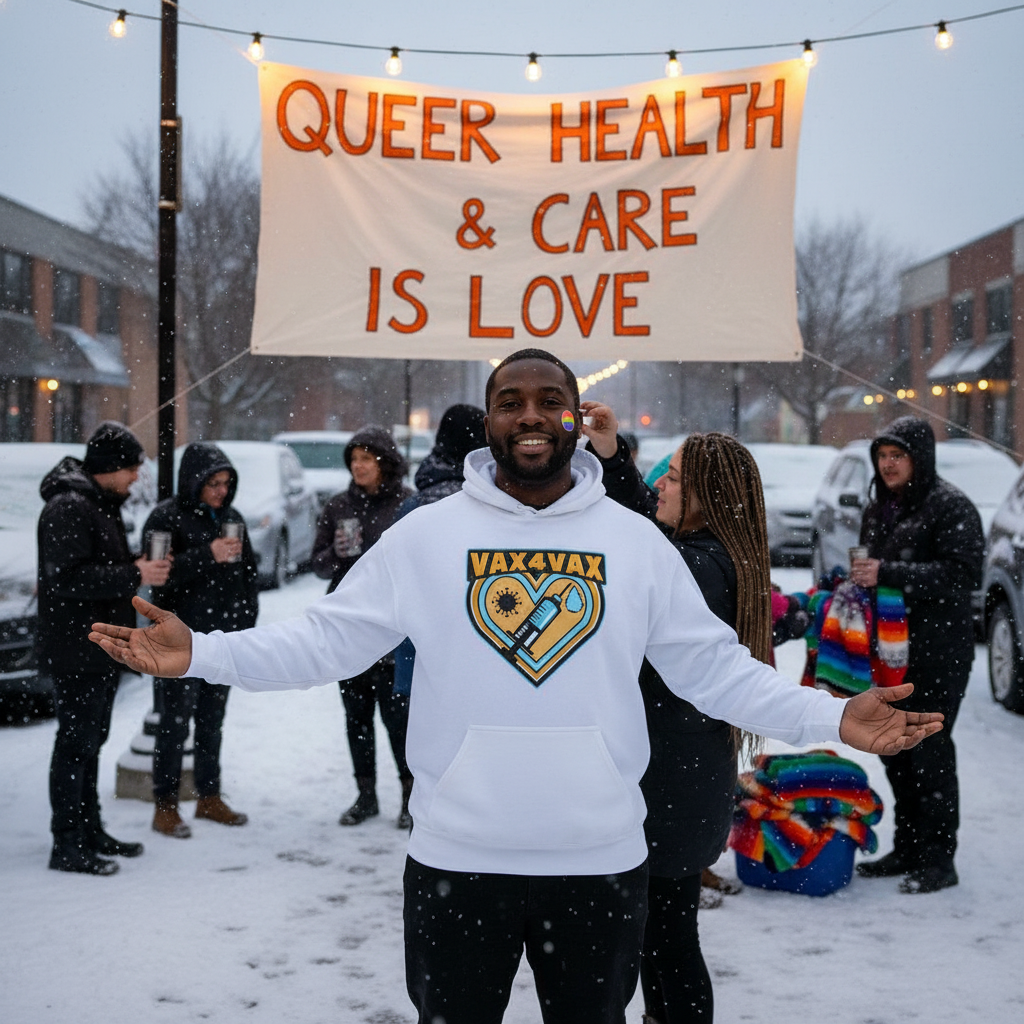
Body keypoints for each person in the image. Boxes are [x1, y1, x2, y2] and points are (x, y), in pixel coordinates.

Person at [91, 350, 944, 1024]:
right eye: (512, 400)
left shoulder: (635, 544)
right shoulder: (429, 537)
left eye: (550, 401)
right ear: (489, 421)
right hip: (458, 862)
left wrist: (834, 717)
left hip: (602, 866)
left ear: (577, 420)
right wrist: (200, 653)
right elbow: (326, 640)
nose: (531, 415)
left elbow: (716, 672)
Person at [585, 409, 771, 1024]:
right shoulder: (710, 555)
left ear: (706, 497)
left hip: (671, 782)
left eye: (673, 477)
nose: (660, 484)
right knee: (662, 938)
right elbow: (646, 529)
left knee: (666, 942)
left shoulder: (697, 569)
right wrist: (613, 455)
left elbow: (635, 550)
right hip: (684, 776)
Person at [851, 416, 983, 894]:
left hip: (938, 653)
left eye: (897, 455)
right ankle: (906, 846)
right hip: (890, 653)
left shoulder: (950, 507)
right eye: (882, 455)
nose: (888, 464)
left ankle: (938, 858)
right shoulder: (879, 507)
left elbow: (963, 574)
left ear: (919, 459)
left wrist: (889, 572)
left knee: (929, 751)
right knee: (895, 751)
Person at [38, 421, 171, 875]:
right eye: (132, 469)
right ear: (111, 467)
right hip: (77, 647)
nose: (136, 477)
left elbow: (98, 565)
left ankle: (90, 829)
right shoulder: (68, 507)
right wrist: (134, 572)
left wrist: (133, 568)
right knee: (76, 745)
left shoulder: (98, 503)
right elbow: (69, 578)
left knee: (91, 742)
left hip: (100, 647)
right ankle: (67, 843)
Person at [143, 442, 259, 839]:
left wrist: (246, 628)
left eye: (226, 483)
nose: (221, 492)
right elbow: (158, 576)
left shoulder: (233, 518)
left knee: (212, 722)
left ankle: (209, 797)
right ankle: (166, 804)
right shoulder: (165, 518)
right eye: (213, 484)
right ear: (194, 481)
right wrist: (206, 554)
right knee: (174, 725)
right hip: (178, 641)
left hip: (221, 641)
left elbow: (249, 577)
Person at [311, 425, 412, 828]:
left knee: (398, 720)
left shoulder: (406, 504)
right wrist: (336, 555)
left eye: (366, 459)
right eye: (353, 459)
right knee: (356, 718)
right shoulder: (338, 507)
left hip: (391, 627)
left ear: (384, 462)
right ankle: (365, 795)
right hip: (348, 627)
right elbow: (316, 564)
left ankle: (409, 796)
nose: (358, 466)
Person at [391, 404, 487, 697]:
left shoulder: (416, 505)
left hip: (422, 654)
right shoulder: (496, 502)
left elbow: (400, 590)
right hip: (482, 654)